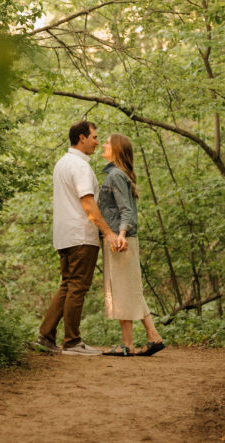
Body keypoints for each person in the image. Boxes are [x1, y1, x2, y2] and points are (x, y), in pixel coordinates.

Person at [36, 121, 122, 356]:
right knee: (77, 287)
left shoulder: (62, 163)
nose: (97, 141)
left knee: (67, 285)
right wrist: (108, 232)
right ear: (81, 138)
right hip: (81, 235)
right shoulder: (80, 167)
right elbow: (88, 204)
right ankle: (72, 342)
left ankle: (46, 336)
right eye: (94, 137)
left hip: (64, 236)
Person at [97, 133, 166, 357]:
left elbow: (126, 209)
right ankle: (145, 339)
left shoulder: (115, 175)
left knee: (124, 289)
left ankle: (139, 341)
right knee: (126, 289)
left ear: (116, 149)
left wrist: (122, 235)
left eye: (107, 142)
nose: (103, 145)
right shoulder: (118, 174)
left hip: (120, 240)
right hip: (121, 238)